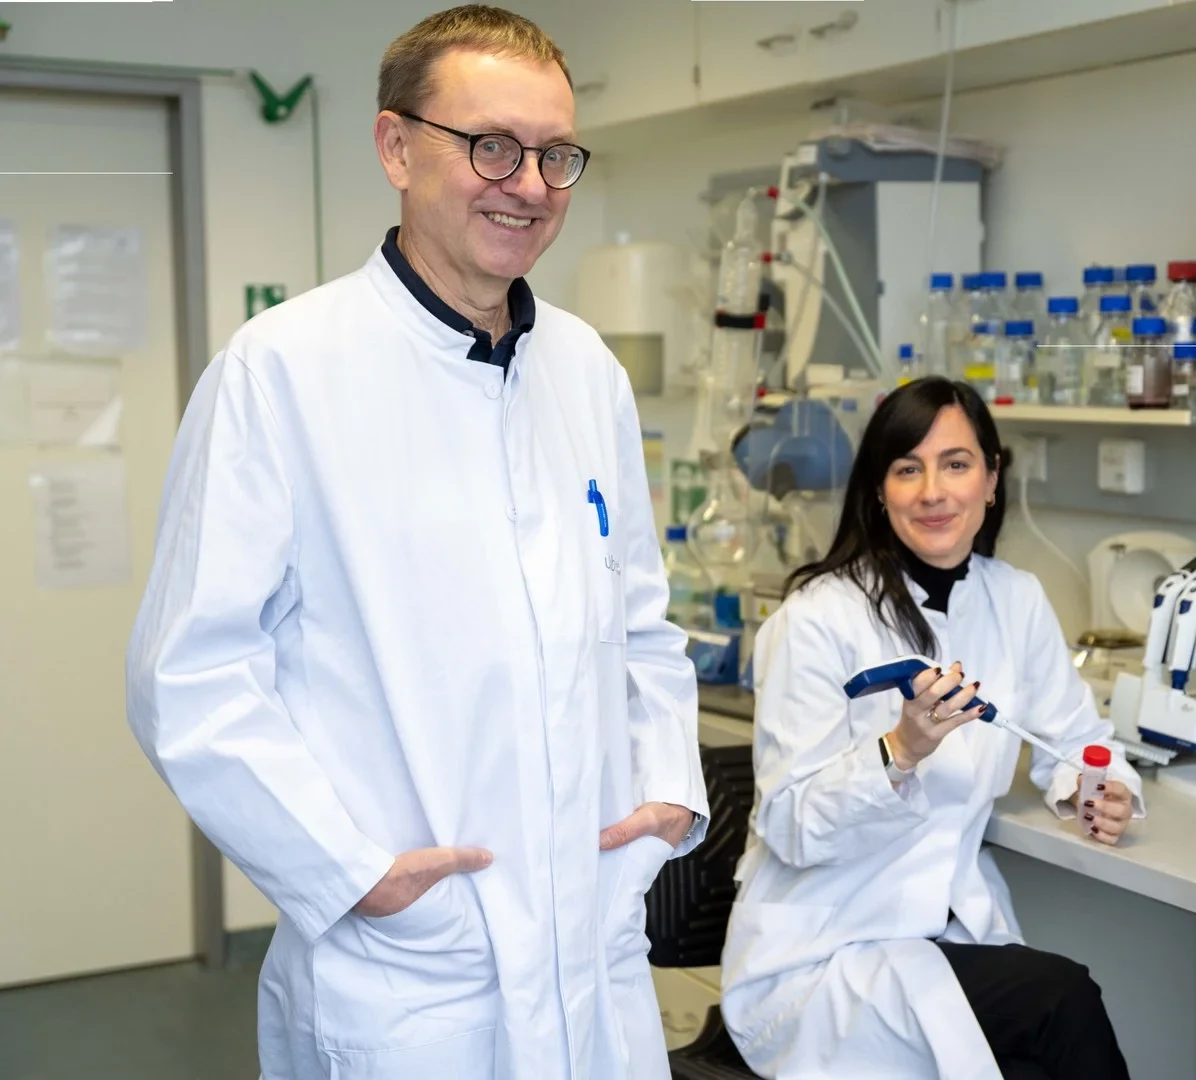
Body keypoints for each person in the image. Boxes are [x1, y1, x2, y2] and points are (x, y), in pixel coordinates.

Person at [125, 7, 706, 1078]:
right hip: (412, 968)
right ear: (397, 146)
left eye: (555, 155)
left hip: (587, 948)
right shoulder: (284, 371)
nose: (529, 183)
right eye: (490, 145)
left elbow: (638, 621)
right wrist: (351, 872)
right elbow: (191, 676)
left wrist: (668, 788)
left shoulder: (587, 372)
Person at [720, 377, 1141, 1080]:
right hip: (827, 952)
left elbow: (1073, 737)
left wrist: (1100, 788)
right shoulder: (817, 618)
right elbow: (791, 825)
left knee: (1045, 1034)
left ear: (992, 479)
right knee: (1061, 1001)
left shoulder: (1015, 599)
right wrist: (899, 751)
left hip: (947, 929)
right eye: (906, 469)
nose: (932, 491)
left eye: (955, 464)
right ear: (879, 491)